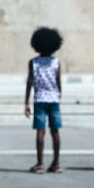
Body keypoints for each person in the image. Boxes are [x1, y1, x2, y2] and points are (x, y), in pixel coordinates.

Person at [25, 27, 63, 174]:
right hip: (54, 99)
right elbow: (59, 82)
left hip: (39, 99)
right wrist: (59, 97)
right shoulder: (56, 62)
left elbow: (30, 82)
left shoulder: (33, 62)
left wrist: (26, 102)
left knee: (40, 132)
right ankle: (56, 163)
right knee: (55, 131)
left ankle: (40, 163)